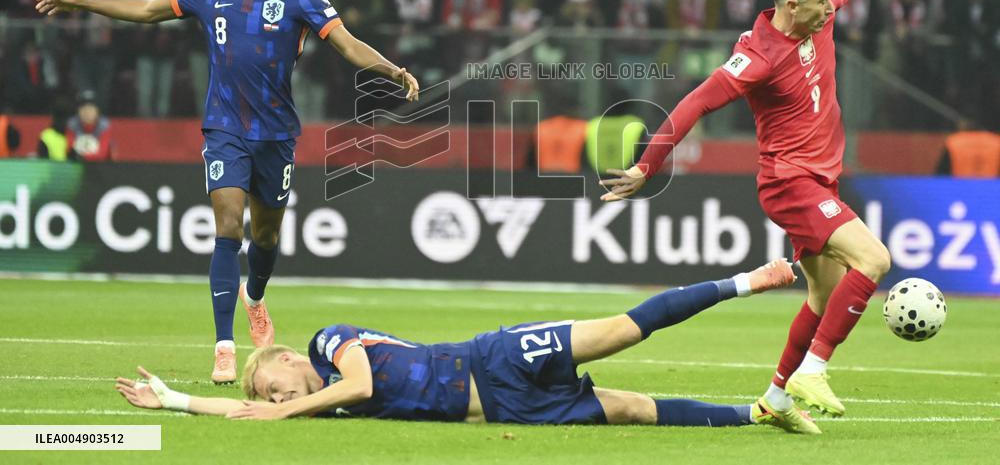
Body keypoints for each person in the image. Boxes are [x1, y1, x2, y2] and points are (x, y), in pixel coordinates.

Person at [36, 0, 420, 385]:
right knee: (227, 225)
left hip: (277, 134)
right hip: (225, 129)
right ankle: (223, 348)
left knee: (266, 237)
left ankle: (254, 298)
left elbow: (347, 44)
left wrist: (392, 70)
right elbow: (146, 10)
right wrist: (78, 1)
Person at [599, 0, 892, 434]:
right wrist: (645, 166)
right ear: (792, 6)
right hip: (789, 182)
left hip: (821, 179)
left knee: (824, 294)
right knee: (874, 260)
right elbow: (696, 102)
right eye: (818, 4)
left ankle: (777, 398)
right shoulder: (758, 57)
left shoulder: (822, 8)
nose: (828, 10)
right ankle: (813, 371)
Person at [116, 260, 819, 433]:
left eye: (271, 385)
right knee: (634, 409)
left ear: (290, 360)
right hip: (505, 410)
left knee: (624, 327)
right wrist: (172, 399)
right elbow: (240, 415)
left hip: (494, 357)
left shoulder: (331, 345)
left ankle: (749, 280)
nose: (275, 397)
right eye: (272, 398)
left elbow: (360, 382)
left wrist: (282, 414)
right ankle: (757, 414)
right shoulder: (322, 408)